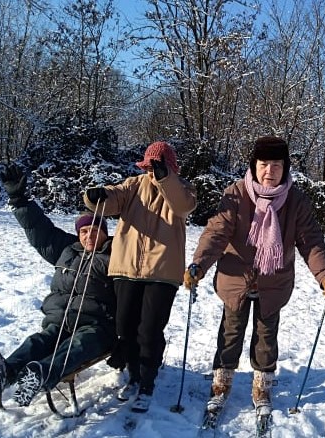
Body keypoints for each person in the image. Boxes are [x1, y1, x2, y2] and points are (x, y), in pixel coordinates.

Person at [184, 136, 325, 417]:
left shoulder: (295, 201)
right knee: (231, 333)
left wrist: (324, 275)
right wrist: (199, 265)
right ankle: (221, 382)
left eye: (276, 165)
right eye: (264, 164)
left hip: (274, 282)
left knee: (266, 336)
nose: (269, 171)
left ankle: (262, 385)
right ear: (254, 165)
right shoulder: (236, 193)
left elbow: (311, 241)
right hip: (235, 278)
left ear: (285, 168)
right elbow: (216, 233)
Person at [0, 164, 116, 408]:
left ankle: (40, 374)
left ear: (104, 232)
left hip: (96, 327)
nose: (89, 236)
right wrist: (18, 199)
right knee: (38, 341)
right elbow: (40, 231)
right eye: (84, 231)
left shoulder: (116, 256)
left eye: (94, 230)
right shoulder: (67, 251)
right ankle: (5, 372)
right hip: (60, 321)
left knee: (77, 346)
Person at [83, 141, 197, 413]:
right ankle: (133, 374)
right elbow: (113, 198)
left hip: (162, 272)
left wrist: (165, 179)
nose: (151, 170)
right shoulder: (133, 184)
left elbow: (182, 206)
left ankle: (147, 381)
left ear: (170, 165)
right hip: (127, 268)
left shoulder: (183, 187)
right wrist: (96, 195)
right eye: (148, 165)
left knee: (149, 329)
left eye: (156, 164)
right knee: (125, 325)